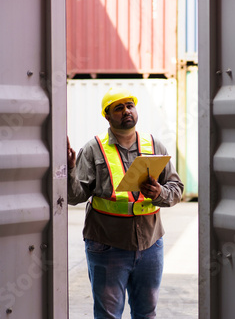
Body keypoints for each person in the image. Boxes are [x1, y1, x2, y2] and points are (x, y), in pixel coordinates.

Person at [67, 87, 184, 319]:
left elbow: (177, 189)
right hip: (106, 245)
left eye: (129, 106)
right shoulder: (93, 149)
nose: (126, 111)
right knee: (108, 315)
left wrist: (159, 192)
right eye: (118, 108)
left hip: (150, 244)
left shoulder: (154, 146)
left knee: (146, 313)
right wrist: (70, 169)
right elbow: (75, 196)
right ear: (107, 116)